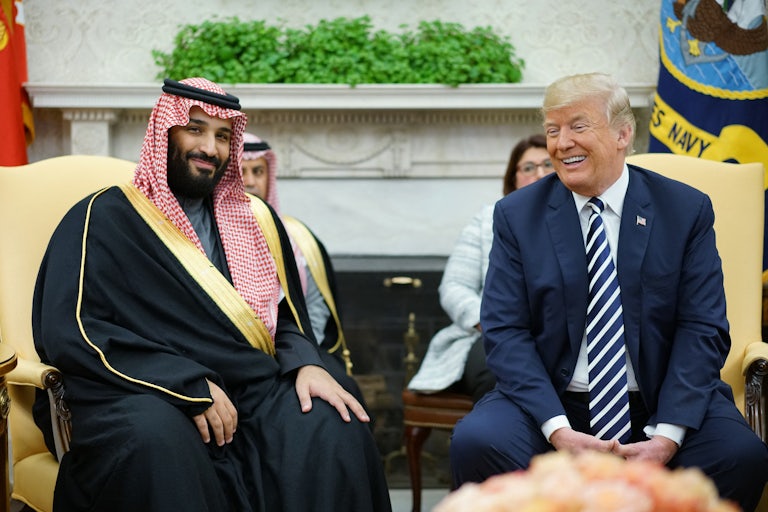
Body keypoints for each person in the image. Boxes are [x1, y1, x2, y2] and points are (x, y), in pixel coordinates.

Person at [31, 77, 392, 512]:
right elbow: (71, 330)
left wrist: (306, 363)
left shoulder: (254, 221)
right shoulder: (101, 217)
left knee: (332, 421)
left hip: (247, 385)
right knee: (157, 439)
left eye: (223, 136)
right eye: (196, 129)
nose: (210, 148)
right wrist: (183, 384)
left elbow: (284, 317)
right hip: (138, 389)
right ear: (165, 132)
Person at [449, 72, 768, 511]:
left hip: (662, 398)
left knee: (741, 456)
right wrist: (558, 429)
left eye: (578, 127)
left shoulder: (685, 210)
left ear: (623, 134)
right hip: (554, 400)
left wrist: (666, 438)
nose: (561, 144)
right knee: (476, 441)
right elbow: (505, 331)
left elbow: (702, 328)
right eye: (552, 130)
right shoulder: (516, 215)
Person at [406, 134, 553, 403]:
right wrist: (492, 324)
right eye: (528, 167)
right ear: (513, 178)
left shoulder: (582, 219)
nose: (539, 173)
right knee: (499, 371)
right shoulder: (487, 220)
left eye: (548, 164)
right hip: (491, 335)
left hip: (558, 338)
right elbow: (454, 287)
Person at [240, 132, 361, 398]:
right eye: (242, 171)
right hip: (241, 359)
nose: (250, 181)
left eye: (258, 171)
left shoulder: (297, 237)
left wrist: (305, 352)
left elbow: (316, 306)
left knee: (342, 391)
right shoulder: (211, 234)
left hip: (302, 350)